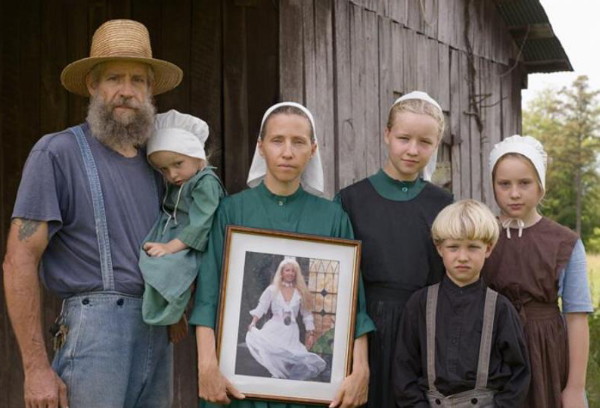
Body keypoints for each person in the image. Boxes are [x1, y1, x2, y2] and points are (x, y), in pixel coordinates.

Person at [3, 19, 183, 408]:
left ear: (150, 90)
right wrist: (36, 368)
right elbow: (19, 260)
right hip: (95, 338)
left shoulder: (158, 167)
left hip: (157, 333)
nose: (126, 91)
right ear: (92, 85)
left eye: (138, 80)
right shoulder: (57, 153)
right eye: (114, 78)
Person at [189, 101, 375, 408]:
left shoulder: (332, 218)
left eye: (298, 142)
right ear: (261, 147)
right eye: (277, 140)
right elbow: (208, 296)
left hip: (309, 399)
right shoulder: (231, 210)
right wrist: (206, 364)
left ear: (313, 149)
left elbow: (354, 304)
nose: (287, 152)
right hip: (237, 391)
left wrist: (361, 369)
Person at [336, 91, 453, 407]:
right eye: (404, 138)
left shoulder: (443, 205)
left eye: (425, 142)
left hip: (424, 331)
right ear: (387, 134)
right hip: (365, 332)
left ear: (436, 145)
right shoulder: (351, 201)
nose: (413, 150)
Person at [482, 135, 593, 408]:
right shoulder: (481, 234)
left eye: (524, 183)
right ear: (493, 187)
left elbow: (577, 317)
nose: (514, 193)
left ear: (541, 187)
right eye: (504, 184)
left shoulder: (564, 242)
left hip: (545, 351)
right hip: (491, 347)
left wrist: (576, 388)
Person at [393, 199, 530, 407]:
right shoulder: (419, 305)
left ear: (488, 249)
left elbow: (519, 375)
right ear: (440, 249)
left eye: (473, 247)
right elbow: (404, 370)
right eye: (453, 247)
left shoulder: (501, 309)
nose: (463, 257)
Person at [139, 109, 225, 343]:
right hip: (176, 234)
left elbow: (202, 223)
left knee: (169, 267)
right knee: (148, 260)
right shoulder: (182, 182)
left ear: (197, 156)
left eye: (178, 163)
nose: (172, 174)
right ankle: (170, 310)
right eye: (164, 170)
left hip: (194, 242)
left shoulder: (205, 182)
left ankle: (174, 310)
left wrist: (170, 248)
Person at [245, 258, 326, 380]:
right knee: (274, 352)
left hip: (291, 331)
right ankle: (276, 377)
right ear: (282, 272)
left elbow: (307, 314)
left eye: (293, 271)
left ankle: (285, 384)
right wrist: (253, 323)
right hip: (274, 329)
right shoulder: (272, 289)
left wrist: (310, 333)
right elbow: (262, 307)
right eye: (287, 270)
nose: (290, 273)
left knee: (291, 356)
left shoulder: (300, 292)